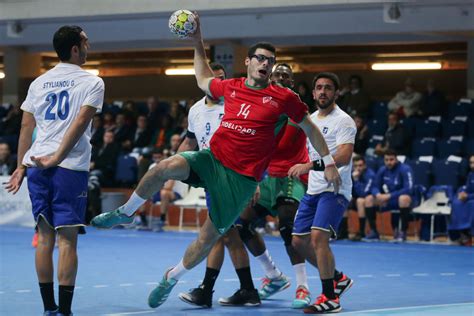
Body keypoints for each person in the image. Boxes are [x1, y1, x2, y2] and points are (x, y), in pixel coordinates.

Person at [91, 12, 340, 309]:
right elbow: (203, 78)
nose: (265, 64)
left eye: (269, 61)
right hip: (212, 159)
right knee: (163, 167)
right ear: (247, 62)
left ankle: (171, 276)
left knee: (206, 239)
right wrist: (198, 41)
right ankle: (127, 212)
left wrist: (329, 161)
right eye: (260, 58)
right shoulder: (232, 87)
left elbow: (310, 128)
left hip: (240, 180)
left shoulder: (283, 98)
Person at [4, 25, 104, 316]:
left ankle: (49, 309)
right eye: (85, 41)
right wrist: (58, 156)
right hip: (69, 168)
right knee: (67, 240)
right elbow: (80, 123)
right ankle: (65, 311)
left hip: (36, 166)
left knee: (44, 238)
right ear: (75, 48)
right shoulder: (92, 82)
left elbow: (26, 127)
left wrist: (21, 165)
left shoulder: (39, 82)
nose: (89, 46)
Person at [178, 62, 261, 307]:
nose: (219, 84)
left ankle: (207, 290)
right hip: (212, 180)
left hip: (234, 179)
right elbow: (189, 143)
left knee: (220, 234)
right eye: (215, 79)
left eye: (223, 79)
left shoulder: (237, 106)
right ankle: (247, 290)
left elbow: (251, 144)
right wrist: (172, 169)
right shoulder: (195, 110)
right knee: (227, 235)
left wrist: (252, 180)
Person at [288, 72, 356, 314]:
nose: (323, 91)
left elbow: (345, 155)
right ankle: (338, 278)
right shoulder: (312, 119)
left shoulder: (344, 120)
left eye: (328, 88)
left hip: (335, 190)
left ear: (336, 93)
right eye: (319, 88)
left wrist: (314, 165)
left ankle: (330, 298)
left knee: (318, 239)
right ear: (314, 93)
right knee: (298, 241)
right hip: (314, 189)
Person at [367, 149, 414, 242]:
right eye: (386, 160)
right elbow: (374, 186)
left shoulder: (405, 169)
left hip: (403, 200)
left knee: (403, 198)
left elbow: (409, 188)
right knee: (369, 199)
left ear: (396, 159)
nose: (389, 162)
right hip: (388, 200)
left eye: (391, 159)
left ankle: (403, 231)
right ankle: (374, 231)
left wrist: (389, 196)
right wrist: (377, 194)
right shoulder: (382, 170)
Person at [449, 155, 474, 246]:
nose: (472, 165)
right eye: (471, 163)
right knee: (456, 203)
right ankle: (462, 234)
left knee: (472, 205)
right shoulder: (471, 174)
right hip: (470, 198)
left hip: (471, 199)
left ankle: (471, 234)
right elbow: (467, 188)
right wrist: (463, 193)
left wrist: (468, 196)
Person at [349, 155, 375, 241]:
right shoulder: (350, 173)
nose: (358, 168)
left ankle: (362, 231)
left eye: (360, 166)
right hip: (353, 199)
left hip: (368, 200)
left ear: (365, 165)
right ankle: (342, 232)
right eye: (355, 166)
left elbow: (363, 193)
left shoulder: (370, 174)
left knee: (360, 201)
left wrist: (356, 180)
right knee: (341, 200)